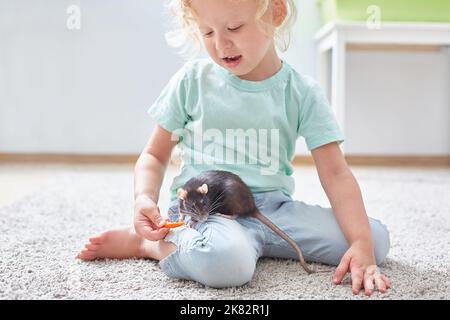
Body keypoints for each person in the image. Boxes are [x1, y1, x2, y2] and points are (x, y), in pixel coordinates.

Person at [78, 0, 391, 296]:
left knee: (374, 240)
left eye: (235, 27)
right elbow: (154, 155)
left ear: (275, 12)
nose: (221, 44)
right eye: (208, 32)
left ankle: (254, 243)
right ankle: (147, 245)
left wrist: (360, 243)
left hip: (272, 210)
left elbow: (336, 173)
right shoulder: (193, 81)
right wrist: (143, 198)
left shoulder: (301, 92)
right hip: (205, 211)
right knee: (228, 264)